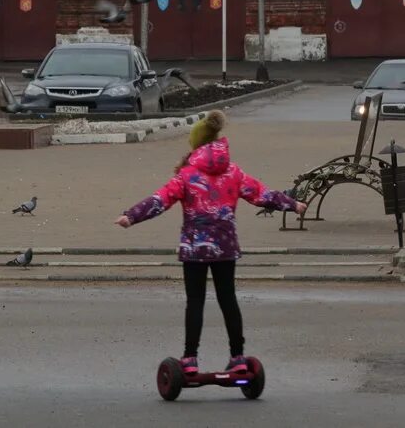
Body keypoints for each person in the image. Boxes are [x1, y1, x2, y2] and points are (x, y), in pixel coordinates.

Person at [115, 110, 306, 376]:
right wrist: (293, 204)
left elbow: (161, 200)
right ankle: (238, 357)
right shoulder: (233, 172)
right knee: (228, 299)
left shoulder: (187, 175)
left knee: (195, 301)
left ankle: (190, 358)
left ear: (195, 145)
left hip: (195, 249)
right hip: (225, 248)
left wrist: (131, 216)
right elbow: (262, 194)